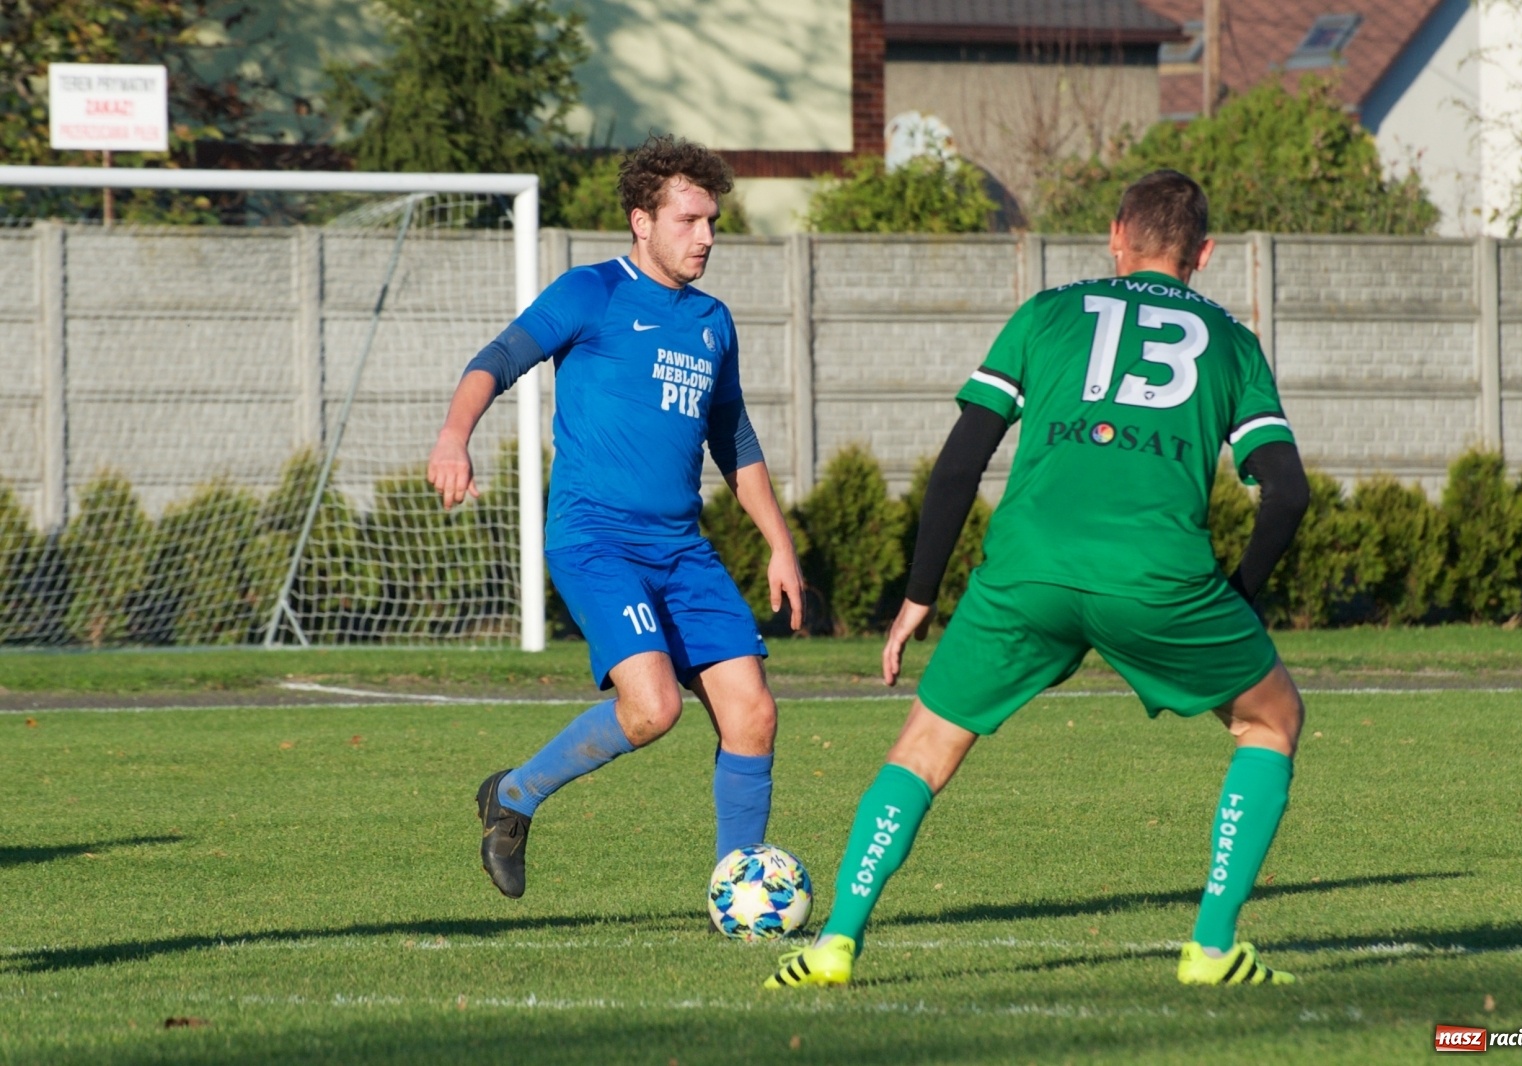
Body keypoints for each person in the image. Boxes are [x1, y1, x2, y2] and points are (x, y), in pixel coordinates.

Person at [764, 169, 1311, 989]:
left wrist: (919, 596)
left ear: (1116, 236)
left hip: (1025, 572)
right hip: (1157, 578)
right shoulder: (1232, 343)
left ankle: (834, 944)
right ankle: (1210, 948)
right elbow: (1286, 490)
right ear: (1203, 252)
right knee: (1272, 721)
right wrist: (1237, 597)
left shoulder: (1048, 313)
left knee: (924, 747)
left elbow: (959, 465)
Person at [428, 134, 803, 901]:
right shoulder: (590, 291)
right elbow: (494, 361)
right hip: (595, 538)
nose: (706, 236)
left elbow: (733, 438)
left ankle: (739, 892)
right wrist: (452, 436)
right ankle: (515, 795)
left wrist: (780, 546)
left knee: (754, 714)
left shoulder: (712, 321)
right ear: (642, 220)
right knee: (654, 706)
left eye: (712, 222)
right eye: (689, 220)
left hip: (681, 549)